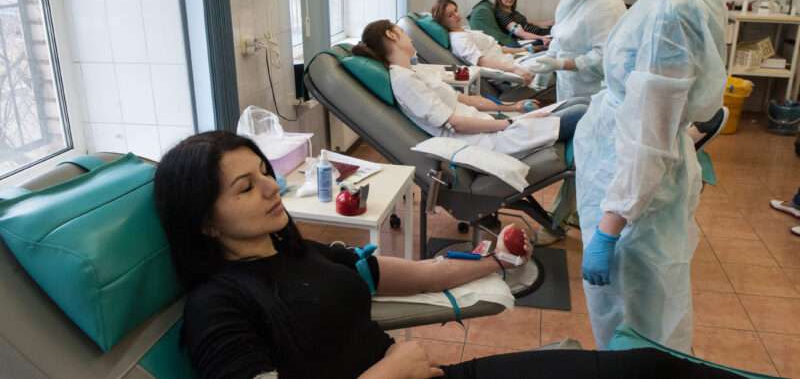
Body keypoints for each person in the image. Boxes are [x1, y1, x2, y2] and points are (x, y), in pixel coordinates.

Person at [154, 131, 750, 379]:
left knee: (650, 369)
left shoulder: (295, 252)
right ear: (203, 222)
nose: (268, 186)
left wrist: (489, 260)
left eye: (264, 172)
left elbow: (390, 272)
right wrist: (389, 370)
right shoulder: (219, 307)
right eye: (244, 186)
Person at [573, 0, 727, 353]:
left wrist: (610, 227)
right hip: (634, 188)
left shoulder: (670, 11)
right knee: (648, 324)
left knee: (637, 331)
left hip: (633, 205)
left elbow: (649, 138)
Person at [353, 19, 588, 156]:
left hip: (488, 126)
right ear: (391, 35)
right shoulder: (404, 82)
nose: (410, 37)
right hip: (482, 140)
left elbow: (464, 100)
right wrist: (506, 123)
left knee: (580, 103)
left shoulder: (414, 71)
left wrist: (512, 106)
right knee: (581, 112)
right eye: (403, 32)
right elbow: (456, 123)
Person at [528, 0, 626, 101]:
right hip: (568, 86)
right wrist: (545, 67)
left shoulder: (607, 5)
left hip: (593, 93)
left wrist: (562, 64)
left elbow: (604, 57)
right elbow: (559, 37)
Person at [431, 0, 536, 88]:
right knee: (548, 65)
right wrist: (515, 69)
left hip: (510, 61)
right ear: (443, 22)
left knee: (547, 58)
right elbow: (481, 62)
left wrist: (524, 50)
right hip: (507, 73)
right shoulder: (459, 40)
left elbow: (496, 47)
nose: (456, 15)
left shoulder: (464, 30)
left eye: (455, 10)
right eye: (450, 15)